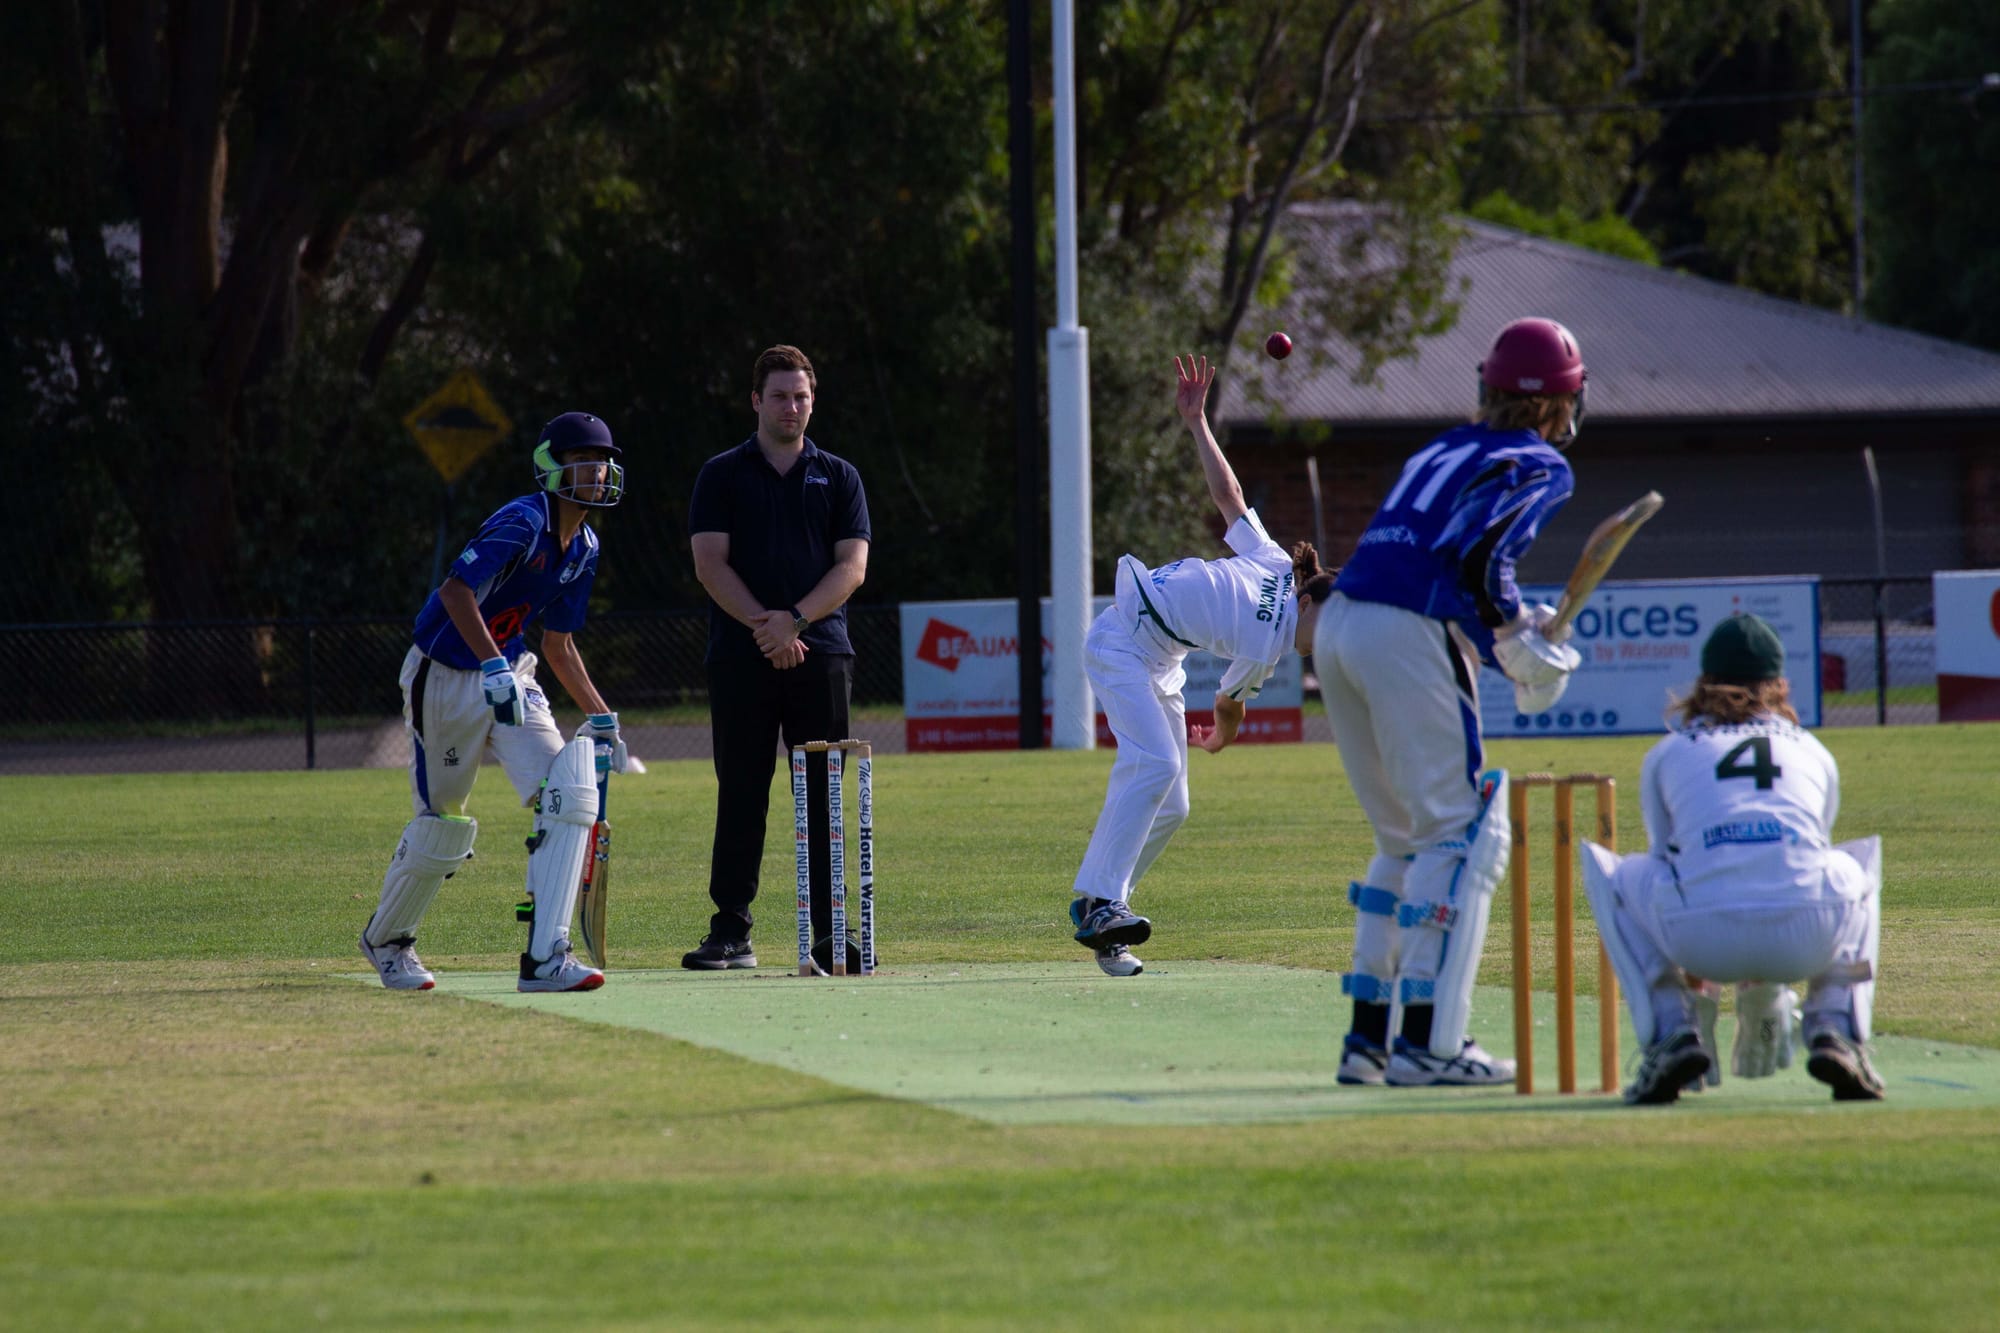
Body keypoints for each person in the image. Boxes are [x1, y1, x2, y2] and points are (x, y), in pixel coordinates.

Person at [1314, 316, 1588, 1087]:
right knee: (1460, 836)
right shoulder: (1537, 461)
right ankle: (1430, 1045)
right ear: (1560, 403)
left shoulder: (1439, 446)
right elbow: (1477, 557)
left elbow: (1448, 560)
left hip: (1343, 623)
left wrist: (1506, 634)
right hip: (1403, 630)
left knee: (1402, 839)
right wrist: (1512, 635)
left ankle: (1369, 1041)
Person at [1066, 354, 1339, 977]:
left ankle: (1108, 920)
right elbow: (1228, 495)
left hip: (1160, 659)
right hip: (1120, 639)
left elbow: (1230, 703)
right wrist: (1196, 422)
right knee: (1156, 763)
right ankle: (1100, 903)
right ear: (1305, 597)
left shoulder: (1271, 646)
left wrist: (1219, 735)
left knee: (1175, 803)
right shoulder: (1275, 567)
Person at [360, 411, 630, 994]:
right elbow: (455, 592)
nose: (598, 471)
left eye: (603, 461)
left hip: (509, 671)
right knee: (444, 825)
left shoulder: (583, 545)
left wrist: (601, 715)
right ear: (553, 467)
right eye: (584, 460)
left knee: (569, 790)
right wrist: (488, 666)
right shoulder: (522, 521)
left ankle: (545, 958)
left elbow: (558, 644)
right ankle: (388, 941)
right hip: (446, 675)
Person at [1581, 612, 1884, 1104]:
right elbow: (1805, 855)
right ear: (1779, 684)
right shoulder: (1813, 749)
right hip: (1808, 937)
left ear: (1704, 682)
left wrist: (1705, 984)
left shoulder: (1668, 752)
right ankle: (1836, 1027)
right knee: (1857, 863)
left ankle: (1671, 1032)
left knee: (1617, 873)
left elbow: (1669, 860)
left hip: (1699, 938)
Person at [683, 345, 871, 971]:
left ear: (812, 402)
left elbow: (853, 567)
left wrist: (793, 621)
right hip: (740, 655)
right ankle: (731, 930)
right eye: (781, 395)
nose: (792, 406)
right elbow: (710, 564)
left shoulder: (839, 475)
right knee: (741, 790)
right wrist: (765, 628)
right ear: (756, 401)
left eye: (802, 396)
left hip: (821, 654)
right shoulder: (722, 474)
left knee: (821, 794)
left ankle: (828, 933)